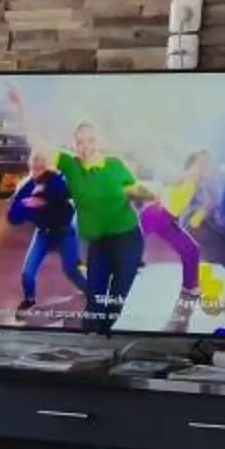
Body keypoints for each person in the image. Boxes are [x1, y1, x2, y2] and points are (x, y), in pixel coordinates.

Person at [63, 123, 153, 317]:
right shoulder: (70, 165)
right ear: (74, 145)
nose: (86, 146)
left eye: (91, 140)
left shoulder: (115, 164)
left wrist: (150, 194)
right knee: (94, 301)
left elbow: (135, 190)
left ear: (99, 141)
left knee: (115, 301)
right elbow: (36, 142)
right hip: (98, 243)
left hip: (128, 239)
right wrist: (20, 106)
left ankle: (106, 334)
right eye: (80, 142)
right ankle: (91, 339)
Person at [139, 146, 217, 332]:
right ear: (193, 164)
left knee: (192, 249)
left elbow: (201, 206)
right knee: (130, 244)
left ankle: (189, 287)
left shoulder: (198, 182)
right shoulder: (188, 175)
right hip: (156, 214)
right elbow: (170, 178)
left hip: (167, 219)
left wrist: (203, 210)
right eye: (201, 162)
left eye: (207, 163)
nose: (205, 166)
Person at [4, 152, 80, 307]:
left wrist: (45, 199)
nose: (37, 169)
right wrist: (25, 204)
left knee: (71, 270)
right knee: (27, 273)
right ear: (30, 166)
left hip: (64, 232)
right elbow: (13, 218)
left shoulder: (58, 181)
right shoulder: (27, 186)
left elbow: (66, 196)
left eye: (41, 166)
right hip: (43, 234)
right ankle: (30, 299)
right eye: (34, 166)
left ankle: (92, 293)